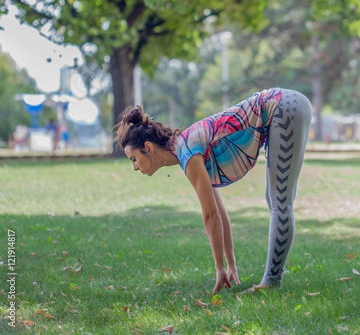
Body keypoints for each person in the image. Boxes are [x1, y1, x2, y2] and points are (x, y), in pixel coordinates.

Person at [114, 88, 312, 294]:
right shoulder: (184, 149)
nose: (135, 166)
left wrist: (219, 269)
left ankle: (271, 283)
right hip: (287, 105)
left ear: (148, 147)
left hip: (285, 106)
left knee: (280, 201)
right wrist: (230, 265)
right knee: (275, 201)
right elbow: (219, 212)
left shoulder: (187, 151)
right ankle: (271, 280)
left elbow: (211, 216)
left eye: (134, 159)